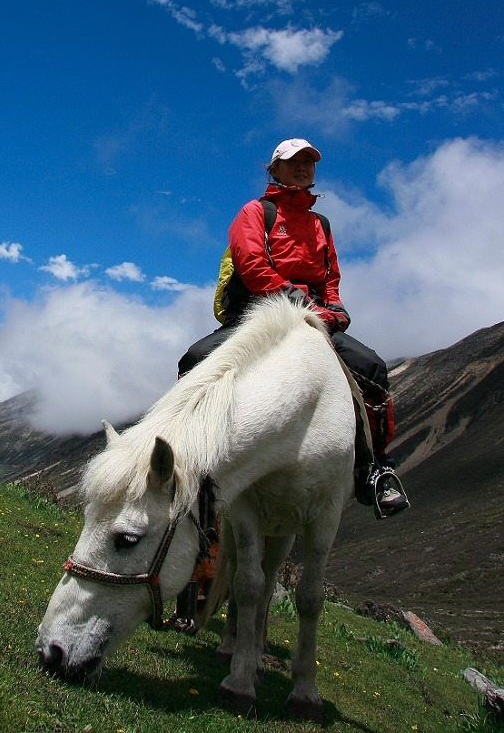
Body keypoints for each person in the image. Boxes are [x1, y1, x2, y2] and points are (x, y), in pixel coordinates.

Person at [168, 138, 409, 630]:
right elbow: (253, 266)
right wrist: (294, 298)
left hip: (312, 317)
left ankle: (376, 471)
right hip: (260, 314)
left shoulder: (321, 224)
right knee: (196, 361)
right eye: (293, 163)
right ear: (275, 168)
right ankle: (181, 462)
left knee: (374, 372)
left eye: (308, 164)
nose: (301, 170)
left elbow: (331, 275)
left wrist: (333, 308)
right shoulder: (255, 212)